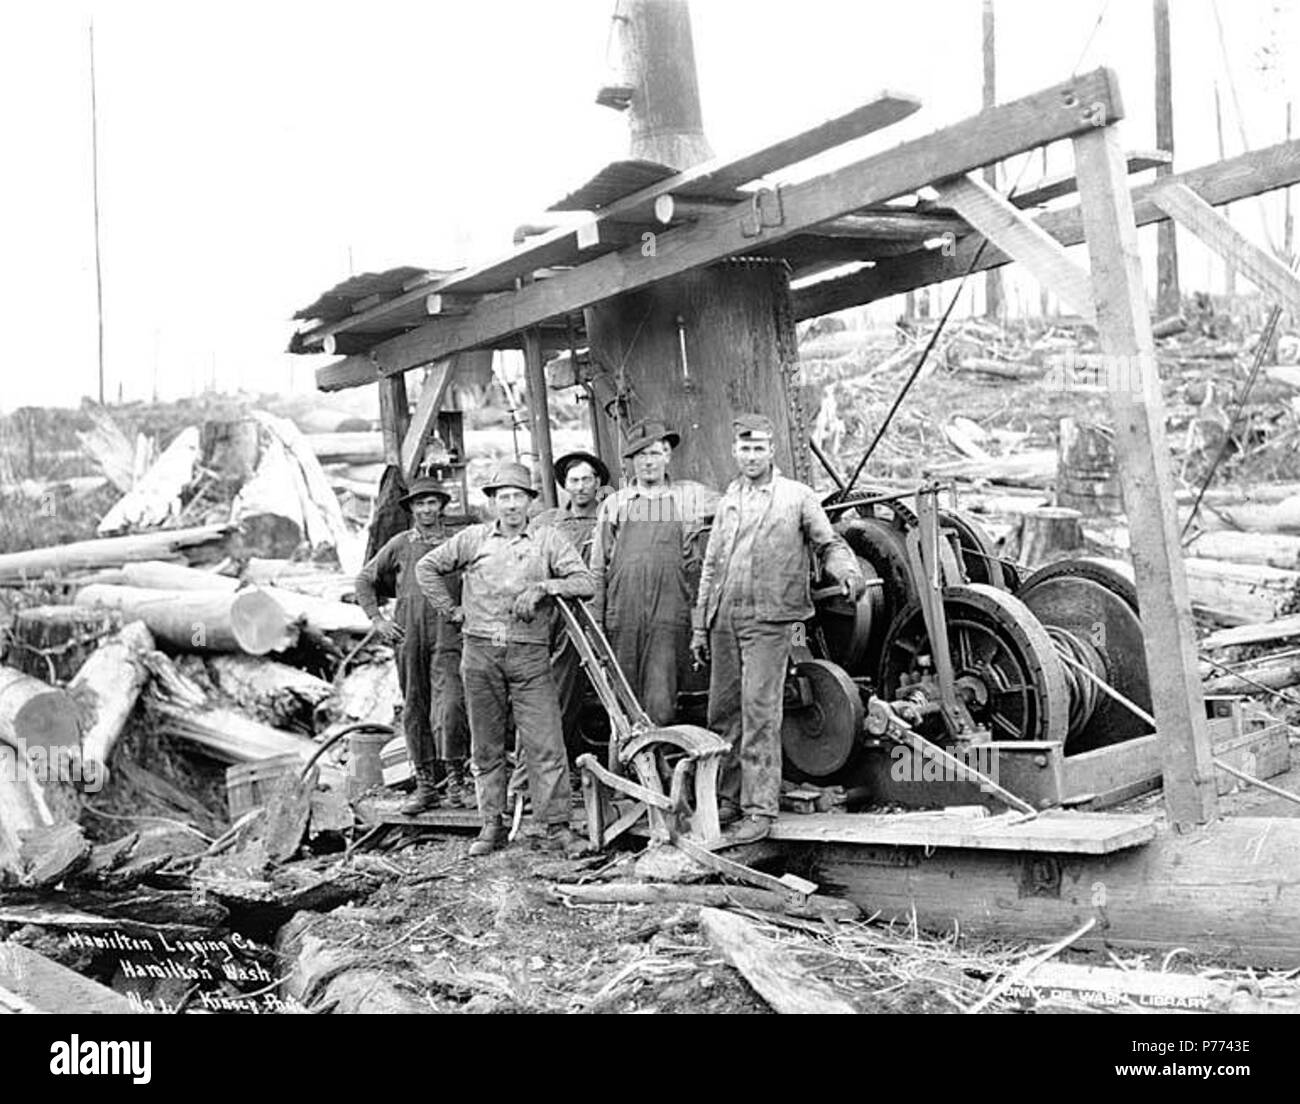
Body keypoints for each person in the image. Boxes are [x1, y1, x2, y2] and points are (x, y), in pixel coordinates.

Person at [691, 414, 866, 846]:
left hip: (771, 620)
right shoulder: (730, 498)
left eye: (758, 449)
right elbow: (711, 567)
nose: (751, 456)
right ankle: (728, 797)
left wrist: (846, 571)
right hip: (724, 618)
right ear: (736, 452)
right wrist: (700, 625)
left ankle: (759, 809)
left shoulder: (797, 497)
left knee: (760, 710)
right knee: (723, 711)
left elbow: (829, 544)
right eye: (744, 449)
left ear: (772, 451)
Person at [415, 461, 594, 858]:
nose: (511, 505)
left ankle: (557, 828)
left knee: (546, 744)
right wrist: (451, 610)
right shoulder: (473, 539)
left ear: (530, 502)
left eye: (518, 497)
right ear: (493, 503)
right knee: (487, 745)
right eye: (504, 497)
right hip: (480, 655)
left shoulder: (548, 540)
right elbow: (426, 567)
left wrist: (545, 588)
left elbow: (586, 583)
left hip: (529, 655)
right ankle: (491, 825)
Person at [589, 420, 717, 726]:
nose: (648, 461)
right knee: (622, 702)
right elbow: (598, 567)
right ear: (631, 461)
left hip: (669, 615)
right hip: (623, 616)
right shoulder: (615, 504)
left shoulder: (691, 496)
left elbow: (738, 507)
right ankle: (623, 769)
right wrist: (596, 622)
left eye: (656, 453)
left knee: (661, 702)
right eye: (641, 454)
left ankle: (656, 764)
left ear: (668, 456)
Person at [355, 477, 469, 815]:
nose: (427, 509)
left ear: (442, 506)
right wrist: (377, 620)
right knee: (415, 707)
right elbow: (364, 579)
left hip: (448, 634)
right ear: (412, 509)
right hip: (408, 636)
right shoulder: (400, 544)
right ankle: (424, 786)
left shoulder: (456, 544)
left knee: (450, 705)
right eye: (420, 504)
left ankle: (456, 781)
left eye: (432, 502)